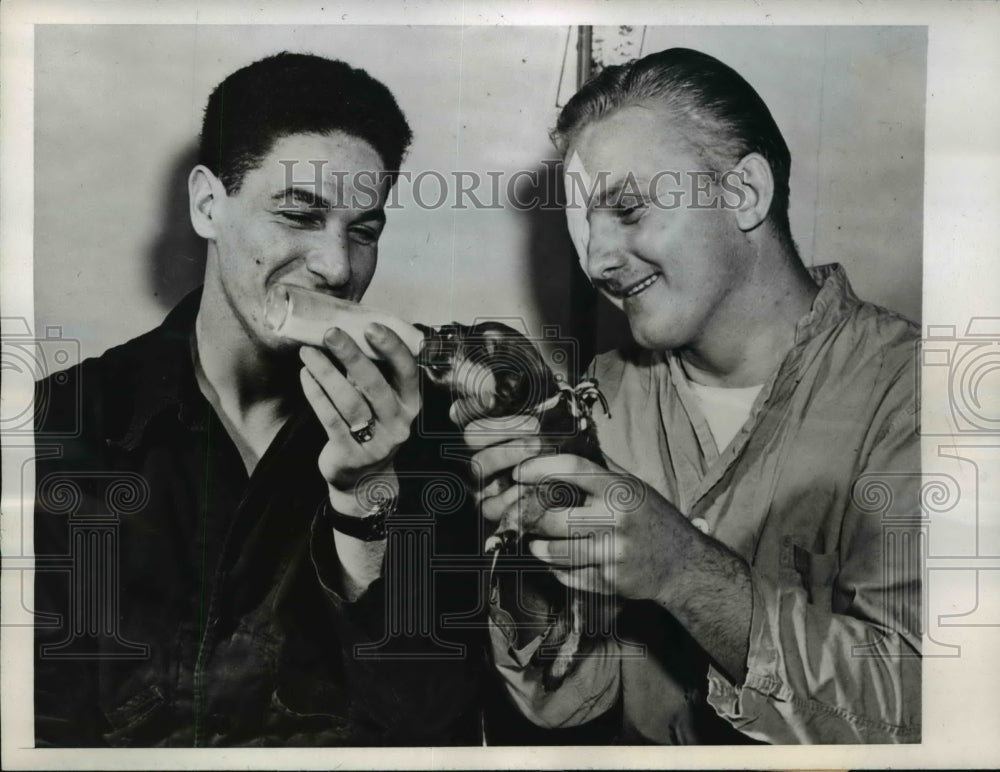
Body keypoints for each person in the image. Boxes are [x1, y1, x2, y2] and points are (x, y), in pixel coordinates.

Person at [468, 48, 922, 744]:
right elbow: (570, 704)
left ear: (744, 194)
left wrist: (685, 572)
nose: (596, 259)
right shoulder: (604, 396)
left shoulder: (916, 394)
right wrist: (522, 563)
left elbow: (930, 710)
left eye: (626, 209)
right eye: (585, 225)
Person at [33, 52, 481, 746]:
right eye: (299, 215)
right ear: (209, 204)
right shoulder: (61, 429)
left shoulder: (422, 435)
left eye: (364, 231)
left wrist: (365, 509)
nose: (337, 267)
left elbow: (433, 732)